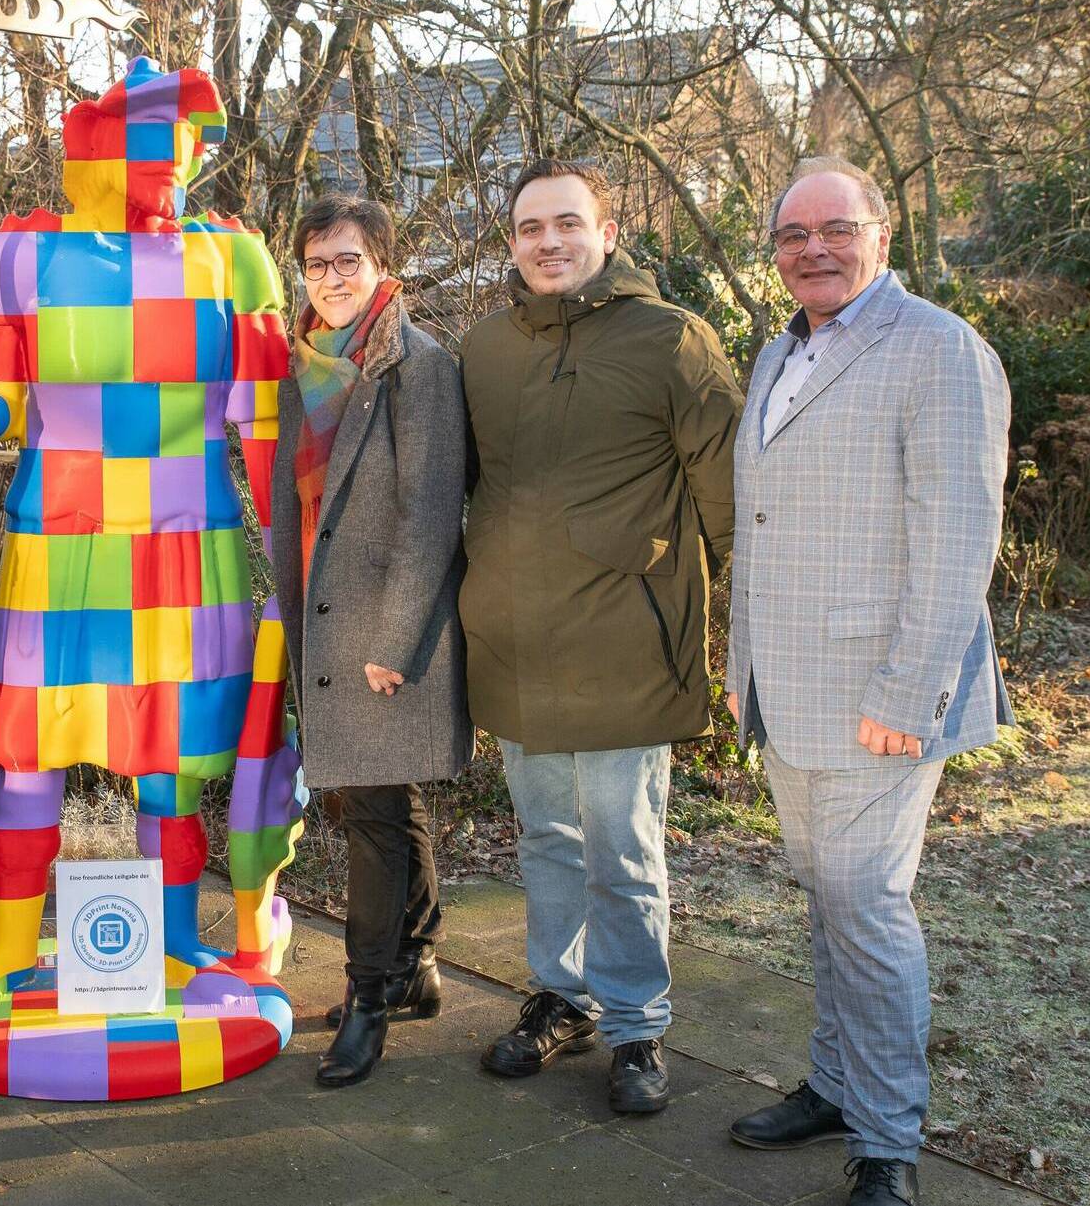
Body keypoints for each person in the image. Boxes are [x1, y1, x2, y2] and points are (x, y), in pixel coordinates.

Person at [725, 157, 1010, 1206]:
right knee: (826, 899)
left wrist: (907, 695)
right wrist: (739, 668)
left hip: (877, 697)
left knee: (866, 906)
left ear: (879, 235)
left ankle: (887, 1136)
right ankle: (838, 1081)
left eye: (834, 228)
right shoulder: (774, 354)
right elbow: (757, 526)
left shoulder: (937, 350)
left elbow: (955, 540)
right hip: (786, 688)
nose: (812, 249)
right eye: (792, 235)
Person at [459, 159, 742, 1114]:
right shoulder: (483, 349)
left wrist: (748, 637)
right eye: (530, 227)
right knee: (545, 836)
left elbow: (733, 502)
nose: (549, 241)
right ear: (511, 243)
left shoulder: (673, 340)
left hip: (627, 637)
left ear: (607, 234)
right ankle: (561, 995)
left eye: (568, 223)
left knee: (623, 846)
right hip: (513, 641)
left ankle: (636, 1024)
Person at [270, 195, 470, 1088]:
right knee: (382, 805)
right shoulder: (303, 364)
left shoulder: (417, 366)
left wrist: (395, 640)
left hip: (386, 629)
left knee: (373, 823)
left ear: (384, 264)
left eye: (349, 260)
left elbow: (430, 512)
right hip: (321, 615)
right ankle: (417, 965)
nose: (333, 278)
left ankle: (367, 998)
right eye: (317, 264)